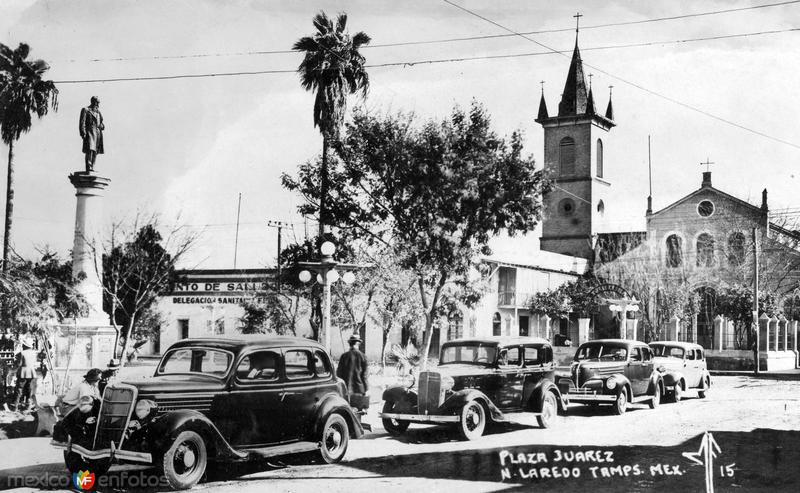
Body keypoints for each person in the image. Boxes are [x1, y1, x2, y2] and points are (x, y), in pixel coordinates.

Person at [336, 334, 369, 411]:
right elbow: (365, 376)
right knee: (359, 413)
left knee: (347, 412)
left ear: (349, 344)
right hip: (359, 390)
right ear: (358, 344)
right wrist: (367, 389)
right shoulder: (363, 356)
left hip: (346, 390)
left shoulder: (344, 356)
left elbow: (339, 374)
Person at [79, 96, 104, 173]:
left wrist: (102, 126)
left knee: (95, 150)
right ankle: (88, 166)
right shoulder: (86, 110)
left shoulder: (98, 112)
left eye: (98, 103)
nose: (98, 105)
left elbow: (102, 123)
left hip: (97, 133)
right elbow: (82, 122)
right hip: (90, 132)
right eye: (97, 103)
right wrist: (83, 132)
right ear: (93, 102)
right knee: (90, 149)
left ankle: (92, 166)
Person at [13, 336, 39, 411]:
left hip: (23, 372)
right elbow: (34, 363)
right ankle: (28, 405)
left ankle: (15, 406)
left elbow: (19, 364)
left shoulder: (22, 353)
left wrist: (15, 369)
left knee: (19, 389)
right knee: (29, 389)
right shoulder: (34, 353)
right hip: (31, 372)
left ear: (25, 345)